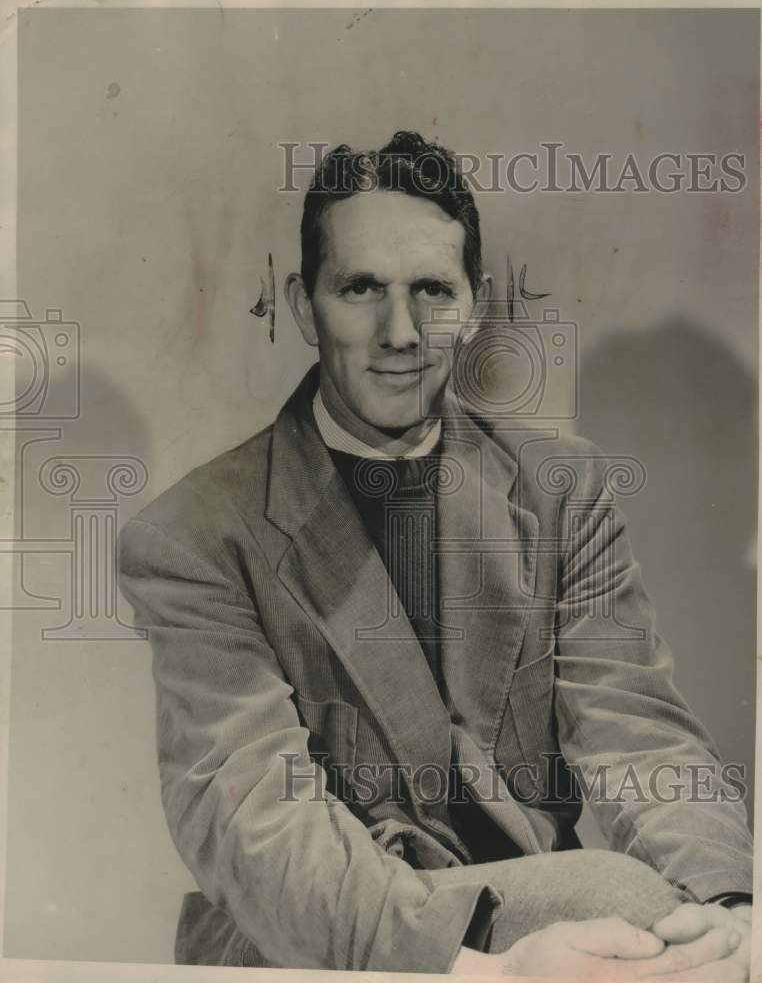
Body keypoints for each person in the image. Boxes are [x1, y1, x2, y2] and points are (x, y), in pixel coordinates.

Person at [117, 131, 753, 978]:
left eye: (431, 291)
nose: (401, 330)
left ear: (475, 305)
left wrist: (729, 905)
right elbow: (253, 816)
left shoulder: (562, 488)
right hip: (312, 940)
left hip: (541, 913)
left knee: (684, 934)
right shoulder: (195, 533)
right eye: (361, 289)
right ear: (304, 307)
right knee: (628, 904)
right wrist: (474, 970)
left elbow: (636, 730)